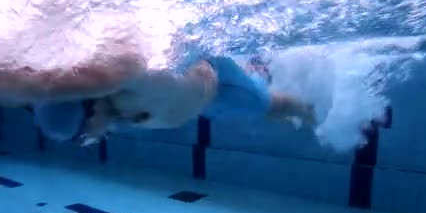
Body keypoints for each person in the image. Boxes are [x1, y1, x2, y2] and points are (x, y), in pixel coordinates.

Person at [32, 54, 317, 145]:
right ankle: (255, 69)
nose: (92, 141)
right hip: (208, 104)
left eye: (84, 138)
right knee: (261, 107)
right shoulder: (116, 111)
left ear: (90, 111)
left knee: (272, 105)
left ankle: (310, 114)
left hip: (222, 87)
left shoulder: (131, 85)